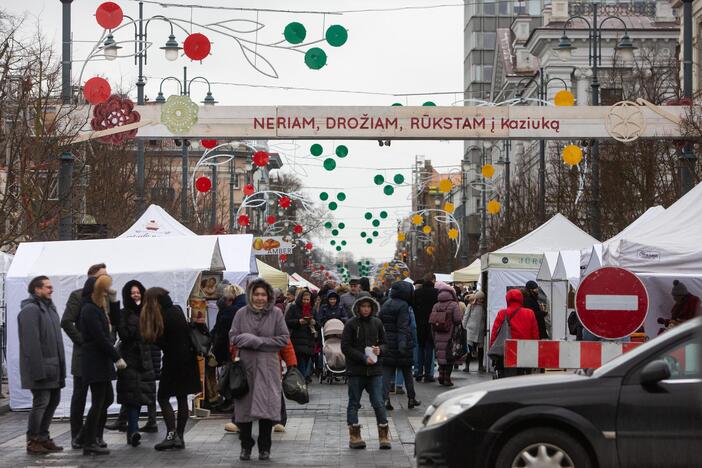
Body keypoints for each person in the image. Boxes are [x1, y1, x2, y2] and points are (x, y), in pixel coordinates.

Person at [229, 278, 290, 461]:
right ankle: (246, 445)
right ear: (250, 295)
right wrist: (247, 339)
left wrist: (260, 342)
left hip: (267, 367)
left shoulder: (276, 314)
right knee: (244, 410)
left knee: (266, 409)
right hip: (245, 368)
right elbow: (233, 336)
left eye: (263, 294)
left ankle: (265, 447)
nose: (259, 298)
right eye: (256, 294)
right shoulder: (241, 313)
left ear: (269, 296)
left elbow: (283, 339)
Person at [141, 287, 200, 450]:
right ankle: (179, 437)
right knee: (182, 398)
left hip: (173, 362)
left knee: (163, 397)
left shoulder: (161, 317)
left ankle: (171, 435)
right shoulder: (177, 310)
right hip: (188, 360)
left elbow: (160, 342)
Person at [18, 275, 66, 455]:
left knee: (53, 401)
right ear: (36, 289)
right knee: (41, 403)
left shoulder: (49, 309)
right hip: (42, 369)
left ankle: (43, 437)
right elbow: (31, 344)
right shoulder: (31, 310)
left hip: (54, 368)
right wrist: (38, 372)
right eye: (47, 287)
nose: (51, 289)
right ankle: (33, 440)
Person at [79, 275, 125, 456]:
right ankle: (89, 440)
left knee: (105, 399)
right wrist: (116, 357)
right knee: (99, 401)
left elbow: (115, 322)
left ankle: (86, 436)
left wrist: (114, 301)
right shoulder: (89, 310)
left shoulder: (97, 308)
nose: (105, 295)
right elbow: (99, 337)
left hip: (101, 361)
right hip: (95, 361)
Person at [62, 263, 106, 448]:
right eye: (101, 275)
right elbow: (66, 321)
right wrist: (83, 341)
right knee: (80, 397)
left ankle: (97, 435)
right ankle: (77, 435)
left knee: (104, 398)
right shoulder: (78, 296)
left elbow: (109, 323)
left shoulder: (106, 297)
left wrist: (108, 340)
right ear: (91, 278)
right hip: (83, 357)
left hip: (102, 355)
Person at [341, 296, 391, 450]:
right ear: (358, 308)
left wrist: (380, 350)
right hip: (356, 371)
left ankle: (383, 435)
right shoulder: (351, 324)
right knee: (354, 402)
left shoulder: (377, 322)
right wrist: (363, 358)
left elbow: (385, 344)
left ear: (372, 308)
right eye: (363, 306)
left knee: (378, 402)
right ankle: (354, 435)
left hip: (375, 371)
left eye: (368, 306)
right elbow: (345, 347)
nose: (365, 309)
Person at [115, 280, 156, 447]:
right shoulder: (123, 313)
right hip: (130, 360)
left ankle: (133, 430)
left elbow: (153, 334)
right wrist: (138, 324)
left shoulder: (148, 312)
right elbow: (124, 335)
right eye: (132, 293)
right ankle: (133, 430)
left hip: (145, 360)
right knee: (132, 398)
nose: (136, 295)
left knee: (140, 397)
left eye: (138, 292)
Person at [378, 281, 420, 410]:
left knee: (386, 374)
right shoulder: (403, 305)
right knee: (407, 373)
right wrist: (402, 345)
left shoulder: (386, 304)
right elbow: (402, 327)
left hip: (387, 343)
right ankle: (411, 399)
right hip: (401, 343)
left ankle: (385, 399)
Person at [489, 289, 539, 378]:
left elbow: (494, 333)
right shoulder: (529, 313)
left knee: (505, 379)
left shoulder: (502, 313)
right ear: (521, 299)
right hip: (525, 351)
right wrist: (535, 351)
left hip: (506, 352)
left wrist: (492, 349)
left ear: (507, 299)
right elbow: (535, 335)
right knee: (524, 378)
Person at [429, 282, 464, 387]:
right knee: (449, 356)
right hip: (450, 334)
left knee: (440, 354)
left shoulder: (436, 305)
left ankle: (441, 373)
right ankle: (447, 378)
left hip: (438, 333)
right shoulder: (453, 305)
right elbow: (458, 319)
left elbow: (432, 319)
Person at [284, 288, 318, 382]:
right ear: (300, 299)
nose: (306, 301)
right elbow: (287, 322)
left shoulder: (313, 310)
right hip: (297, 340)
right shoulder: (293, 308)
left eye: (308, 300)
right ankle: (302, 381)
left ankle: (302, 381)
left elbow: (318, 323)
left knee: (306, 362)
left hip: (309, 340)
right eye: (304, 299)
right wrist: (298, 322)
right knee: (301, 362)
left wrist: (314, 322)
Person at [412, 274, 438, 382]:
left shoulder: (417, 293)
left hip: (419, 324)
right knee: (429, 350)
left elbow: (413, 307)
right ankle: (428, 374)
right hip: (431, 324)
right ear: (433, 280)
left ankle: (418, 372)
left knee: (419, 349)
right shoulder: (436, 292)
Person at [462, 291, 487, 373]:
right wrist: (463, 327)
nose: (481, 300)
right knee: (469, 349)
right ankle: (467, 366)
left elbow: (485, 319)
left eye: (482, 299)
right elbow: (466, 316)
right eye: (480, 298)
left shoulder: (484, 307)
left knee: (480, 349)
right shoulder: (471, 305)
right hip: (470, 330)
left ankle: (480, 366)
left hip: (480, 330)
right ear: (477, 298)